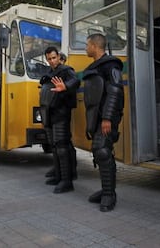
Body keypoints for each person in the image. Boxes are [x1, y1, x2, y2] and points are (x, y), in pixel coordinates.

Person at [82, 33, 124, 212]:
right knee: (100, 152)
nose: (85, 48)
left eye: (87, 45)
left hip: (107, 117)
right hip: (97, 116)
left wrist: (107, 117)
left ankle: (109, 195)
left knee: (102, 150)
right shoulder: (95, 67)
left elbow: (115, 91)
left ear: (94, 46)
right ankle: (107, 190)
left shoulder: (111, 65)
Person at [40, 47, 80, 193]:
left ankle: (67, 181)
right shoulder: (48, 73)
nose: (52, 61)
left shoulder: (66, 70)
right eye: (49, 59)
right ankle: (59, 176)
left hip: (61, 113)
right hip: (49, 113)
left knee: (62, 147)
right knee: (55, 147)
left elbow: (76, 81)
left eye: (54, 58)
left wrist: (65, 86)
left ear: (58, 57)